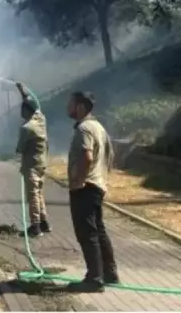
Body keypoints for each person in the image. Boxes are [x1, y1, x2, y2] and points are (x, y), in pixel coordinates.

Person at [65, 91, 120, 293]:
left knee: (87, 234)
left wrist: (79, 181)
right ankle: (110, 273)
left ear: (80, 107)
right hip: (97, 186)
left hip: (85, 188)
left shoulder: (84, 128)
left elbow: (87, 157)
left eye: (70, 103)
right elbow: (110, 156)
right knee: (99, 230)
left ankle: (94, 279)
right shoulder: (99, 128)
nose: (67, 107)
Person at [14, 82, 51, 237]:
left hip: (32, 165)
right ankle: (44, 222)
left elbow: (19, 149)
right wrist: (22, 90)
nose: (20, 112)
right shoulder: (41, 118)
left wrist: (18, 150)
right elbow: (34, 105)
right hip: (42, 163)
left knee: (33, 195)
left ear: (26, 110)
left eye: (22, 108)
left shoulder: (27, 128)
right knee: (39, 192)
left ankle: (35, 226)